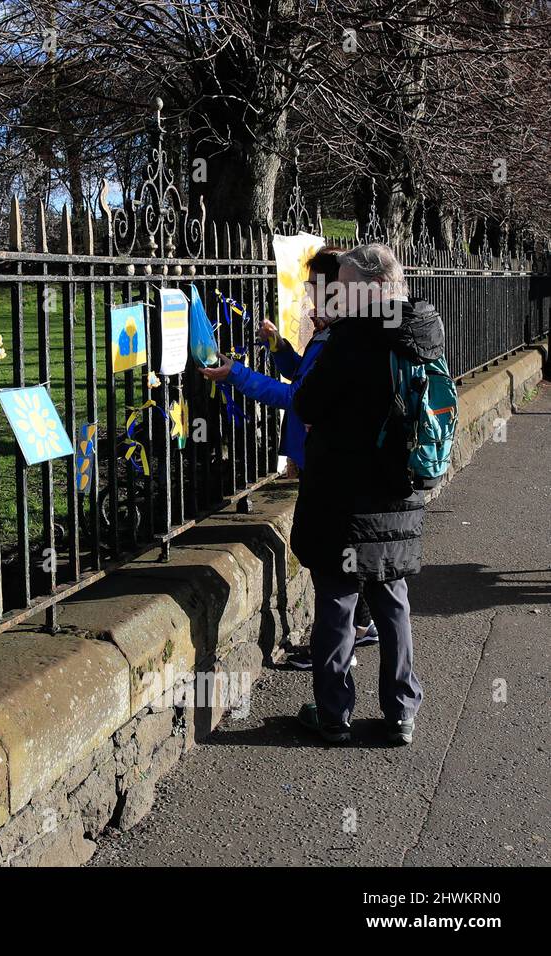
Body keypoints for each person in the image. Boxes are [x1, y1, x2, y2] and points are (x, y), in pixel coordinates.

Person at [289, 243, 440, 746]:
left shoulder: (349, 341)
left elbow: (306, 401)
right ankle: (401, 711)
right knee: (393, 598)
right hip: (400, 490)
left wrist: (324, 337)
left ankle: (334, 714)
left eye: (346, 286)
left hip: (345, 495)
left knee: (337, 597)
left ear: (373, 288)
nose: (338, 294)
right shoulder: (423, 332)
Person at [199, 248, 379, 654]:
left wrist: (237, 375)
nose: (310, 293)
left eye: (316, 285)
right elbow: (303, 375)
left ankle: (339, 648)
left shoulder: (338, 335)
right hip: (325, 453)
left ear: (339, 286)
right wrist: (280, 347)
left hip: (325, 457)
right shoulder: (333, 329)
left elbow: (297, 397)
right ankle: (360, 629)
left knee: (328, 556)